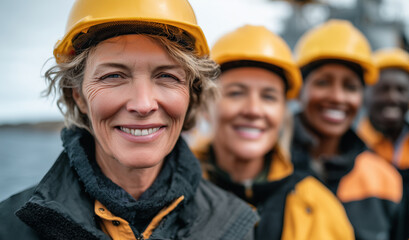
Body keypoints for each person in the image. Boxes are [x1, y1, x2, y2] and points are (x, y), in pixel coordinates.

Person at [0, 0, 258, 239]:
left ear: (191, 94)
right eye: (113, 76)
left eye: (167, 76)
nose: (143, 104)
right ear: (78, 95)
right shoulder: (10, 226)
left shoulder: (234, 224)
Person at [192, 25, 354, 240]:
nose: (253, 110)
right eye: (236, 93)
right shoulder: (171, 196)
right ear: (205, 107)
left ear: (283, 114)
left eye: (269, 97)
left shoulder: (318, 207)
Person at [291, 20, 409, 240]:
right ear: (298, 89)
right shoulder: (266, 167)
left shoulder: (384, 180)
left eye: (350, 86)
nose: (337, 97)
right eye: (323, 82)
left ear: (362, 97)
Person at [357, 48, 409, 238]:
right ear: (365, 94)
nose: (392, 97)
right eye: (382, 89)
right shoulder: (350, 153)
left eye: (401, 90)